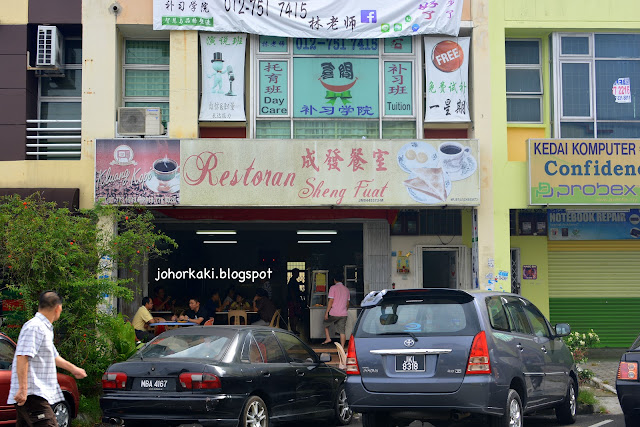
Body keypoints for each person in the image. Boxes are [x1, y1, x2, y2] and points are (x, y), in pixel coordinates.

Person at [8, 291, 87, 426]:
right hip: (32, 393)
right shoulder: (35, 327)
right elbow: (22, 356)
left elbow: (54, 356)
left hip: (35, 393)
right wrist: (23, 388)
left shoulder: (44, 328)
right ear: (58, 308)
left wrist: (74, 369)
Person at [323, 276, 350, 348]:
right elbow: (347, 303)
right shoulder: (346, 289)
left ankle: (328, 338)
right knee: (342, 331)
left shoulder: (333, 288)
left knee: (325, 324)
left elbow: (331, 301)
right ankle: (342, 347)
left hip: (334, 313)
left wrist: (326, 313)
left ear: (334, 280)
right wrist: (345, 310)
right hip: (343, 313)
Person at [287, 268, 303, 335]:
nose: (298, 274)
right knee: (294, 315)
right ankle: (293, 329)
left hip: (294, 300)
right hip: (293, 301)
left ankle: (294, 329)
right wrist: (294, 301)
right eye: (297, 273)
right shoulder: (292, 282)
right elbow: (292, 292)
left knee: (295, 315)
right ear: (293, 273)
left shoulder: (293, 281)